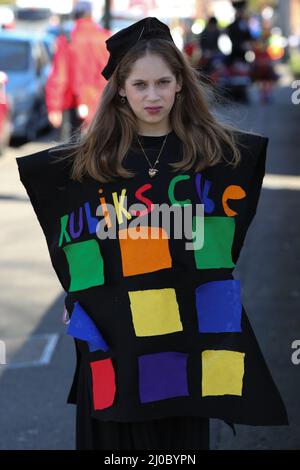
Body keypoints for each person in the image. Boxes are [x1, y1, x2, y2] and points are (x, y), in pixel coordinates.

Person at [16, 17, 288, 450]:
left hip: (188, 332)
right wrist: (76, 296)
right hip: (113, 332)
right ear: (120, 88)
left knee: (178, 447)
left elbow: (223, 247)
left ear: (181, 83)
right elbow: (72, 241)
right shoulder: (89, 164)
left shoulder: (219, 157)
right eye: (140, 84)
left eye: (163, 81)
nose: (153, 95)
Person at [46, 1, 111, 141]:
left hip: (73, 107)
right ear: (91, 15)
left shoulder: (67, 40)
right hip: (102, 103)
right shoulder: (105, 38)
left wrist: (54, 107)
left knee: (71, 154)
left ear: (75, 15)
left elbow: (59, 77)